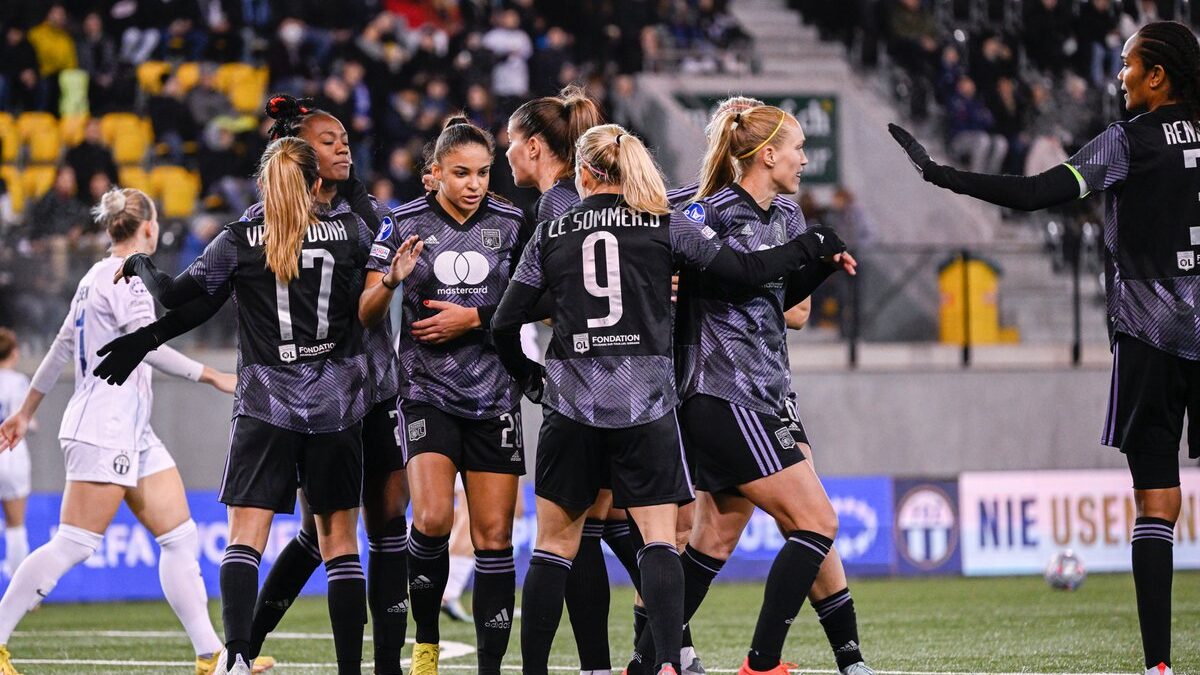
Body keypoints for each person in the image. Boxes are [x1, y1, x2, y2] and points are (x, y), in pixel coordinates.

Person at [887, 20, 1200, 675]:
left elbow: (1037, 193)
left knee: (1157, 504)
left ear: (1158, 76)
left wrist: (946, 176)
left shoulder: (1126, 143)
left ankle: (1159, 667)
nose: (1120, 76)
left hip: (1152, 338)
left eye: (1128, 65)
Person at [491, 123, 852, 675]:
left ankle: (536, 672)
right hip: (645, 404)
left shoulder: (553, 230)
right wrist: (815, 245)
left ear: (584, 173)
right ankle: (665, 665)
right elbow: (745, 271)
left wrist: (533, 380)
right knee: (661, 540)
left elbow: (504, 323)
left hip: (571, 405)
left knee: (554, 547)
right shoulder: (665, 224)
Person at [95, 138, 419, 675]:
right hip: (337, 406)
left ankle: (238, 660)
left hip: (266, 405)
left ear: (262, 188)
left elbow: (179, 296)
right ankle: (350, 671)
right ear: (318, 184)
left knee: (247, 536)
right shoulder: (354, 232)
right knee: (339, 543)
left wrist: (142, 266)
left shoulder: (242, 237)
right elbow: (371, 274)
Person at [622, 104, 853, 675]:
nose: (804, 159)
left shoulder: (789, 214)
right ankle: (762, 662)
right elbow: (739, 271)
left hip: (765, 390)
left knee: (712, 544)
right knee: (817, 522)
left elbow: (782, 299)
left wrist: (820, 265)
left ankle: (644, 663)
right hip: (723, 391)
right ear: (767, 154)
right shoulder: (708, 209)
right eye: (798, 148)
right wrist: (811, 247)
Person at [0, 188, 270, 675]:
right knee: (74, 544)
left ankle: (211, 655)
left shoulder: (92, 277)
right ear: (149, 226)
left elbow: (60, 348)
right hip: (104, 426)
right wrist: (210, 375)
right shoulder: (126, 280)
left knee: (181, 538)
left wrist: (24, 411)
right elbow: (146, 345)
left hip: (131, 428)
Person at [237, 95, 412, 675]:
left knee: (387, 526)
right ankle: (245, 647)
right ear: (297, 155)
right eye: (328, 140)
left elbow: (384, 251)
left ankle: (384, 661)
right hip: (316, 399)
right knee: (323, 533)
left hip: (377, 387)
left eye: (344, 139)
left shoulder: (363, 213)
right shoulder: (266, 223)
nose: (343, 148)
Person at [361, 116, 529, 675]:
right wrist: (389, 281)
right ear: (434, 174)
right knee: (431, 519)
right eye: (461, 173)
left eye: (483, 172)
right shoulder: (401, 222)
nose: (475, 183)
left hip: (495, 396)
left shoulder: (512, 222)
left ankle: (489, 667)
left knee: (494, 536)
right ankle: (427, 643)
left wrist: (474, 319)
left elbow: (548, 300)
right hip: (427, 392)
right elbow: (364, 312)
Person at [508, 85, 651, 675]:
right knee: (603, 527)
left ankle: (668, 648)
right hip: (621, 383)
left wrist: (498, 318)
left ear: (536, 147)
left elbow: (575, 296)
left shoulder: (562, 207)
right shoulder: (561, 201)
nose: (506, 155)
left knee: (577, 535)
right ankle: (616, 660)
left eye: (511, 144)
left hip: (593, 386)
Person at [0, 329, 29, 578]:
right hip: (10, 454)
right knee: (15, 524)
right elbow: (24, 419)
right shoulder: (18, 381)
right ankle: (22, 592)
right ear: (14, 352)